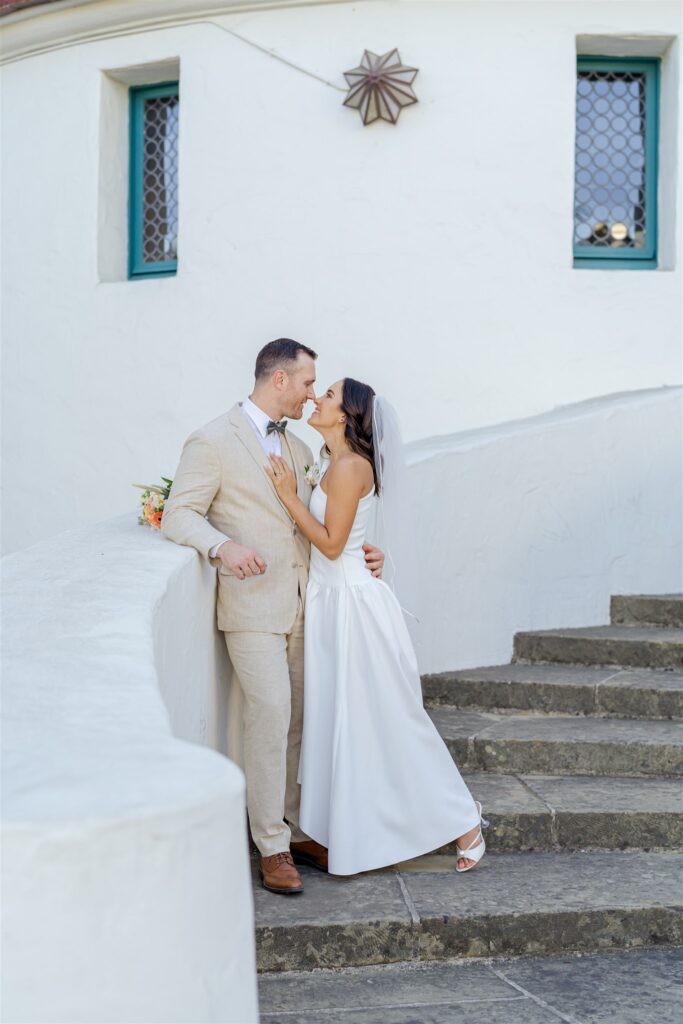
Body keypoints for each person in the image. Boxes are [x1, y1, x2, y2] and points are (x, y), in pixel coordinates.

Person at [161, 341, 385, 895]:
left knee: (300, 720)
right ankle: (271, 845)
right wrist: (221, 548)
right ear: (280, 379)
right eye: (309, 383)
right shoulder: (212, 439)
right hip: (250, 607)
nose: (313, 393)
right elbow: (178, 513)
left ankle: (293, 825)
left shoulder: (305, 448)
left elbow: (318, 523)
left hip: (308, 603)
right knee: (271, 714)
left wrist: (362, 554)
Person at [265, 378, 487, 875]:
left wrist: (287, 495)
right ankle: (358, 832)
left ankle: (463, 817)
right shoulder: (329, 461)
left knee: (389, 720)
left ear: (345, 416)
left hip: (352, 610)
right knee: (349, 727)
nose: (317, 399)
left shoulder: (349, 466)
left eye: (327, 397)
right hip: (331, 603)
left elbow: (328, 543)